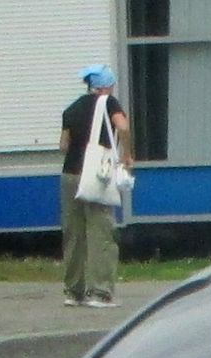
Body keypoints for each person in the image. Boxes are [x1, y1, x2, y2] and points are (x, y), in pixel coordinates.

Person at [59, 64, 133, 308]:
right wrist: (127, 154)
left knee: (74, 233)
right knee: (101, 231)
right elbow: (122, 127)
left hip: (70, 174)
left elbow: (63, 145)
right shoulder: (109, 104)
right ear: (106, 86)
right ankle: (100, 292)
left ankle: (73, 291)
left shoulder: (72, 108)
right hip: (97, 175)